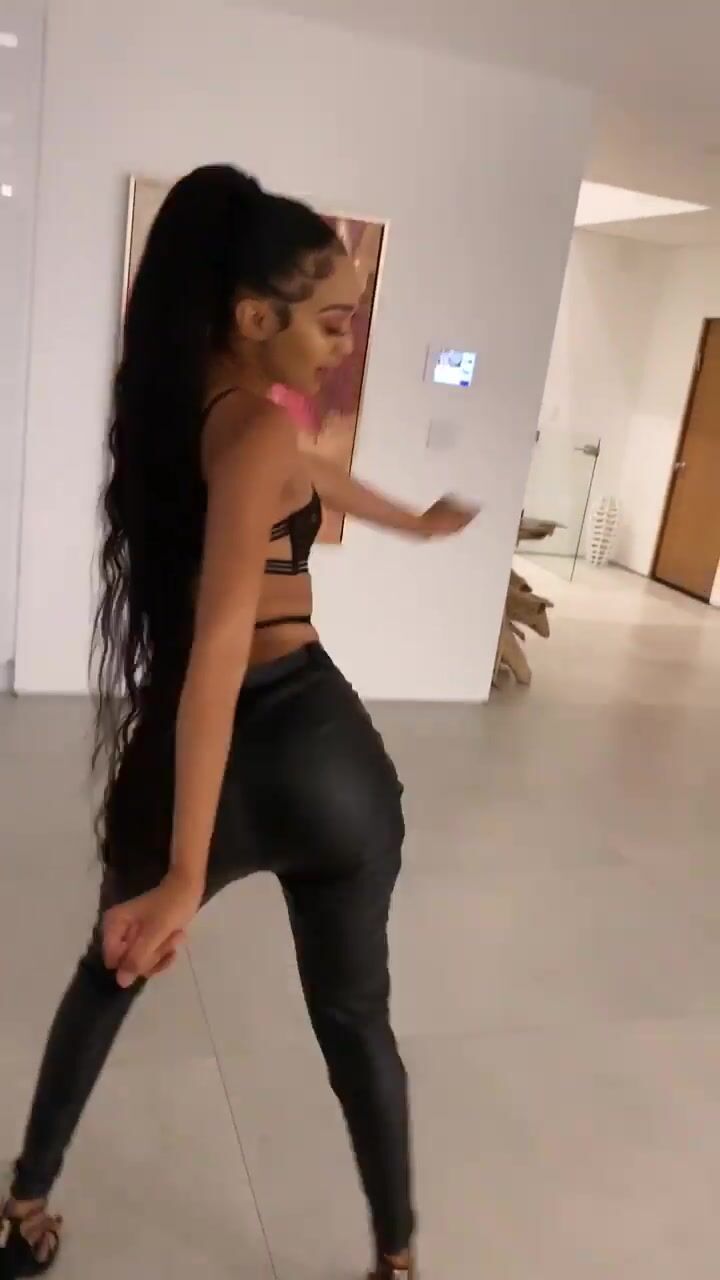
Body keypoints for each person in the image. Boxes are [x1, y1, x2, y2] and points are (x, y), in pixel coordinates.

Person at [0, 165, 475, 1280]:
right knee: (355, 1020)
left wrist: (414, 523)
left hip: (200, 749)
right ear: (254, 317)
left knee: (109, 973)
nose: (343, 346)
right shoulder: (258, 428)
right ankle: (396, 1258)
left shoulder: (186, 418)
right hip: (319, 759)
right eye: (330, 322)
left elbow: (306, 478)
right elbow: (223, 643)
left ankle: (23, 1208)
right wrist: (186, 873)